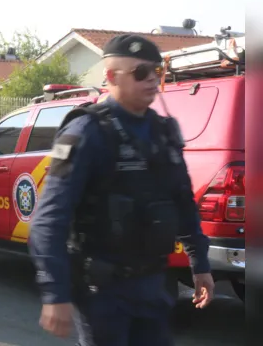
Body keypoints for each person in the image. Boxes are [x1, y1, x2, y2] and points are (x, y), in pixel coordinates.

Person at [27, 34, 214, 346]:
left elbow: (182, 201)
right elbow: (49, 221)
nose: (152, 79)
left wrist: (201, 264)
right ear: (112, 77)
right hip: (104, 293)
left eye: (157, 71)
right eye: (141, 73)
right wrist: (54, 293)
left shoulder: (163, 132)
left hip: (154, 285)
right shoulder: (87, 132)